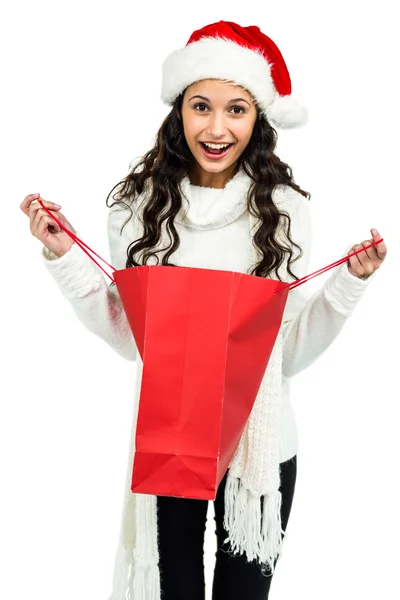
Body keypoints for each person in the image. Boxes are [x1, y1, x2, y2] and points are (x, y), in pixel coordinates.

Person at [20, 20, 387, 600]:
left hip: (259, 451)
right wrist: (66, 257)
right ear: (178, 113)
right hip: (173, 437)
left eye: (236, 109)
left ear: (258, 120)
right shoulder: (138, 209)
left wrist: (348, 286)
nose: (217, 128)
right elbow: (136, 339)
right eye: (201, 106)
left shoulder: (284, 212)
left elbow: (283, 355)